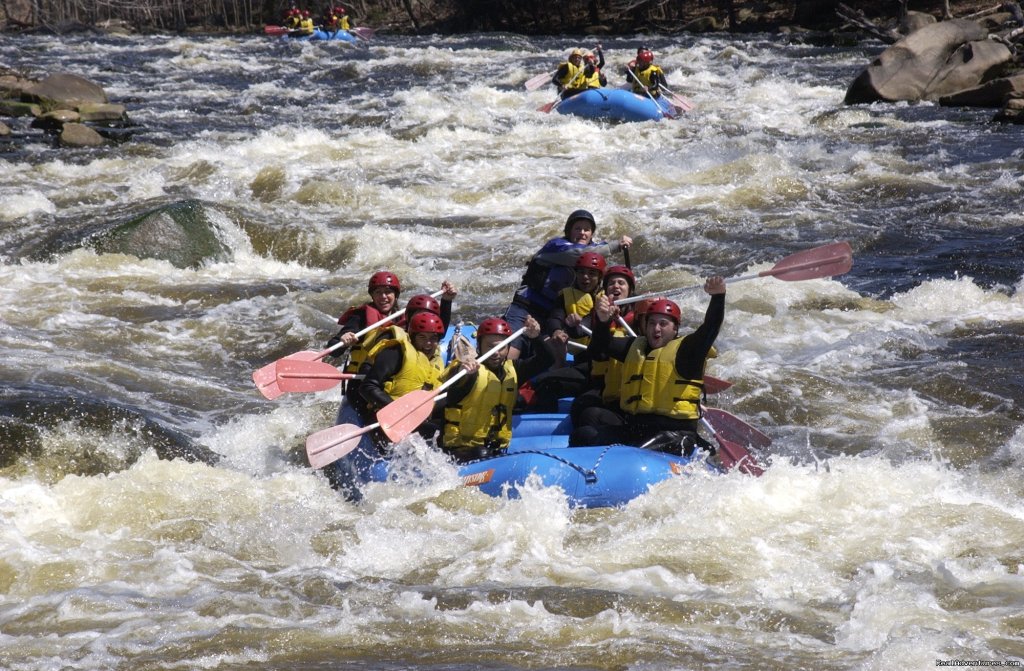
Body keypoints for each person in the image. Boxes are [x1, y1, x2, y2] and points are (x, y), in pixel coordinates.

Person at [569, 276, 726, 455]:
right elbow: (597, 351)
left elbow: (710, 328)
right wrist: (603, 322)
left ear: (675, 329)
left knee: (632, 453)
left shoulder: (688, 351)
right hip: (637, 429)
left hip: (675, 435)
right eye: (651, 323)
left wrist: (718, 297)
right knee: (584, 435)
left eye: (663, 324)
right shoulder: (634, 347)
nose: (656, 329)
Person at [503, 208, 631, 360]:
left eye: (587, 230)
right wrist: (614, 246)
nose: (582, 233)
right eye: (577, 228)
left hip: (551, 315)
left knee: (548, 357)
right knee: (512, 353)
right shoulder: (556, 246)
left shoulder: (595, 253)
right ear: (569, 231)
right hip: (526, 308)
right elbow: (577, 254)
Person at [439, 316, 561, 462]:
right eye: (490, 347)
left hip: (494, 448)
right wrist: (462, 370)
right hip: (458, 450)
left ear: (508, 347)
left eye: (501, 347)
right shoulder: (468, 371)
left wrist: (536, 338)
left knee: (487, 453)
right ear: (479, 346)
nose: (496, 352)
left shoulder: (514, 369)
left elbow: (547, 359)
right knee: (483, 453)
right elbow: (454, 379)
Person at [358, 311, 447, 449]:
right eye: (422, 337)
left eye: (433, 338)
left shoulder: (436, 362)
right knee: (433, 432)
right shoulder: (396, 352)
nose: (428, 344)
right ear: (413, 337)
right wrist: (399, 411)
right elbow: (367, 387)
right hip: (386, 419)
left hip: (416, 420)